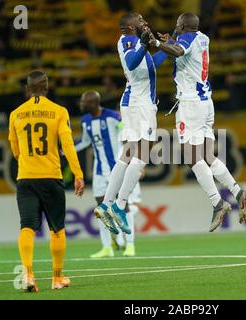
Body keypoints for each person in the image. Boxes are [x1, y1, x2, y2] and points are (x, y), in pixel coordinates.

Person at [148, 13, 246, 232]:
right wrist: (171, 41)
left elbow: (178, 50)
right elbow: (180, 48)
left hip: (191, 104)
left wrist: (158, 43)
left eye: (177, 25)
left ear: (184, 26)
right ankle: (237, 192)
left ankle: (218, 203)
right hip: (206, 102)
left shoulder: (187, 39)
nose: (175, 27)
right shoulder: (203, 37)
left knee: (190, 156)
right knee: (207, 155)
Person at [8, 70, 85, 293]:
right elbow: (68, 145)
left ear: (28, 88)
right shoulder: (59, 111)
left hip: (26, 178)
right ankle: (57, 278)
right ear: (47, 87)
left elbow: (15, 149)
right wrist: (78, 174)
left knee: (27, 227)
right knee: (57, 229)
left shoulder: (16, 114)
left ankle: (29, 275)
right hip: (51, 177)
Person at [94, 12, 168, 235]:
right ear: (131, 26)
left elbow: (150, 65)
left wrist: (167, 48)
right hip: (139, 103)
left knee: (127, 155)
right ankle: (119, 205)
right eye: (141, 21)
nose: (145, 23)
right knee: (143, 153)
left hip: (135, 102)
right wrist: (146, 45)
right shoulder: (129, 40)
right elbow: (131, 61)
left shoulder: (136, 42)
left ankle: (106, 204)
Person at [73, 90, 140, 257]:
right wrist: (65, 150)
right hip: (99, 172)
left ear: (93, 103)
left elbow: (127, 136)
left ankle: (130, 244)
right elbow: (85, 142)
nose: (81, 104)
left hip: (117, 169)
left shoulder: (113, 117)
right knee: (100, 209)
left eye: (84, 102)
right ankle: (107, 247)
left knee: (124, 207)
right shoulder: (85, 120)